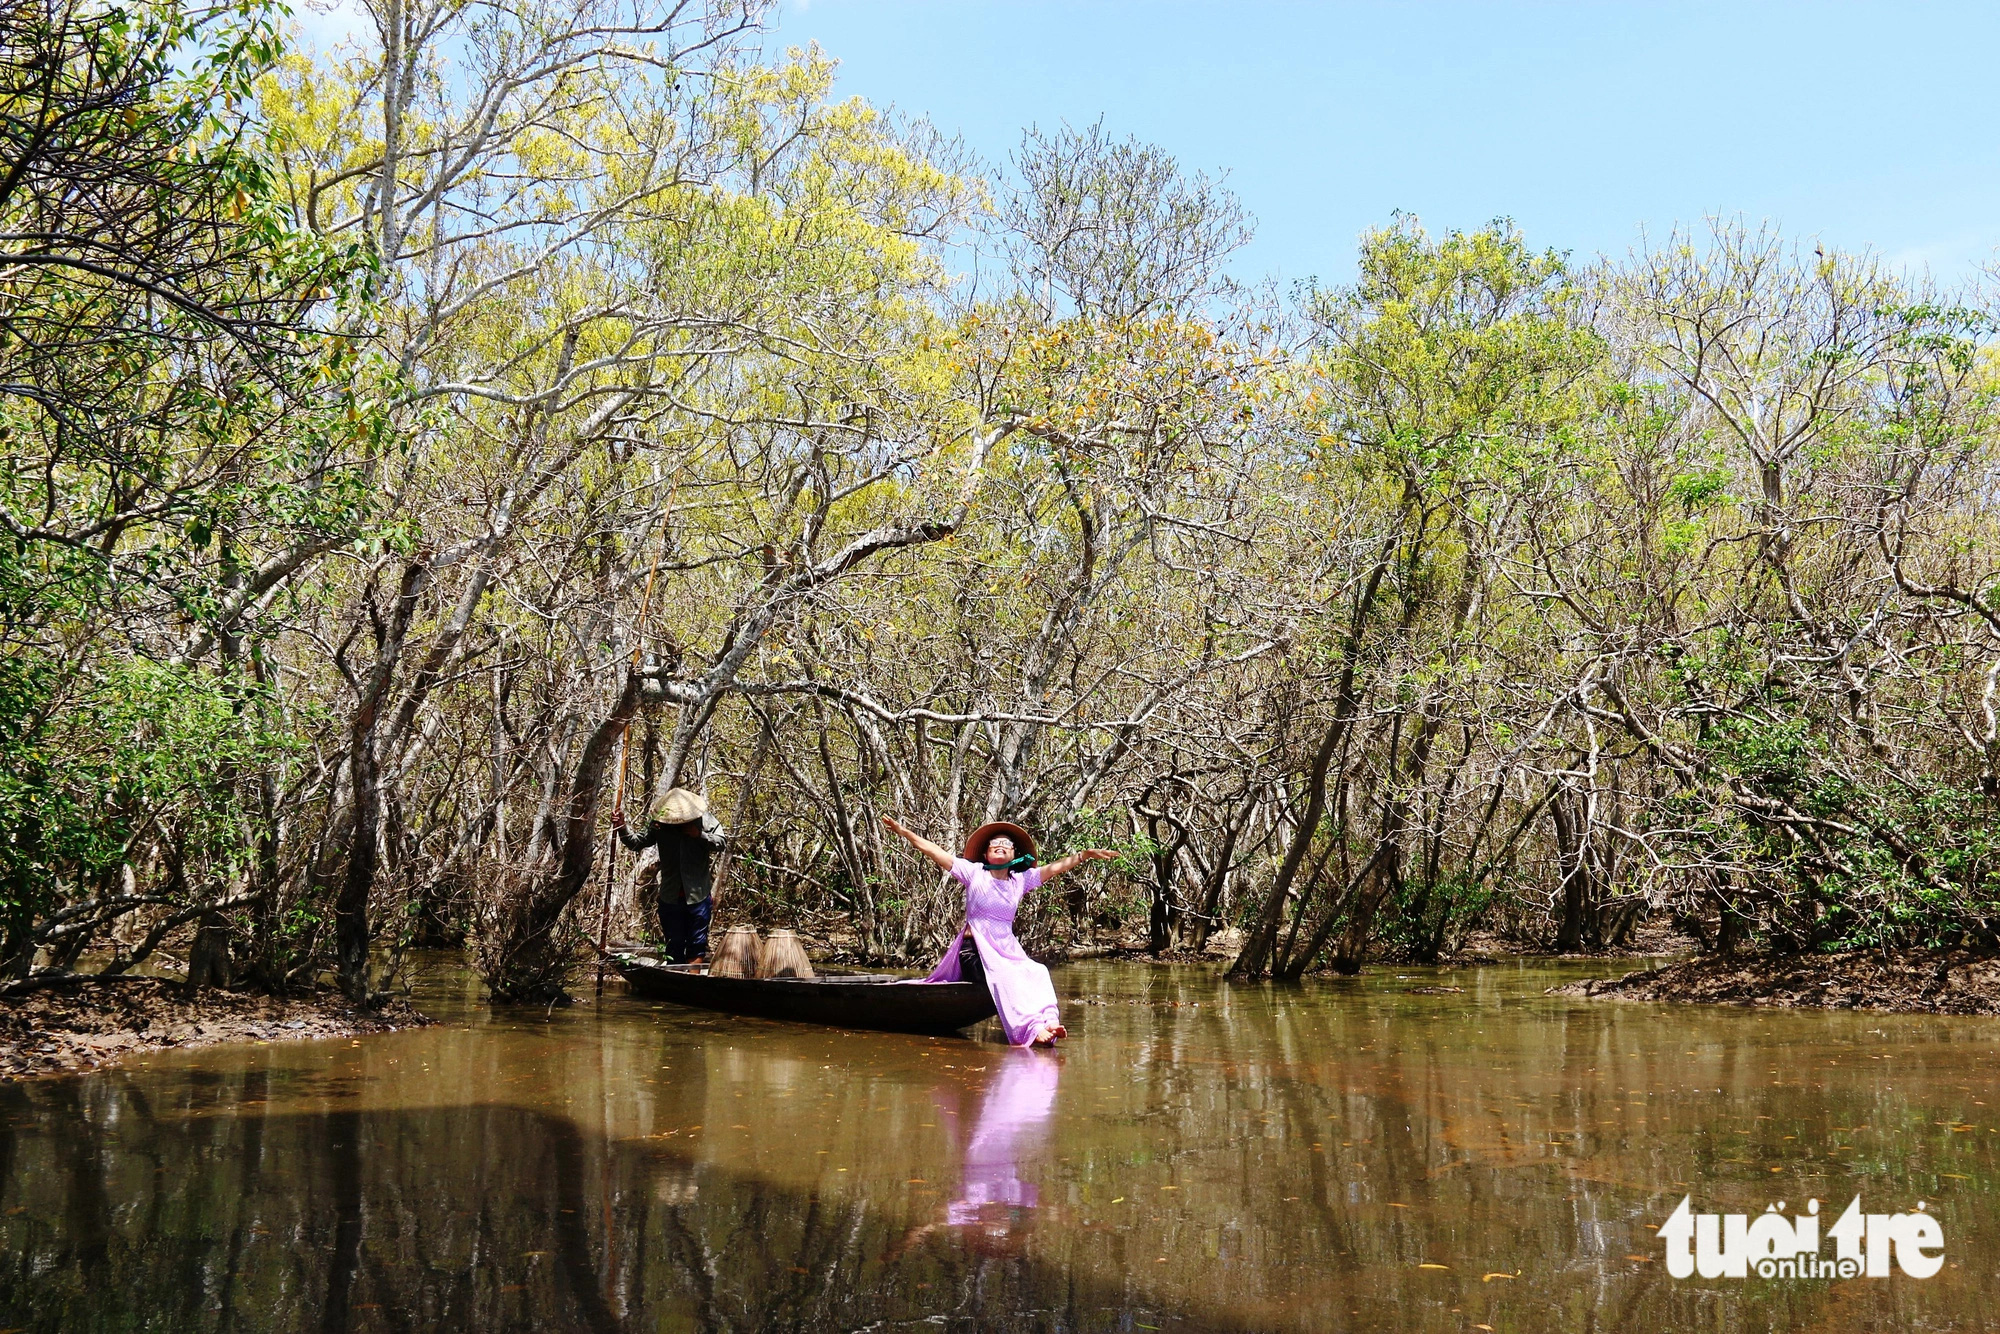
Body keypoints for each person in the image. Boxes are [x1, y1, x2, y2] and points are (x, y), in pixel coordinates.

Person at [881, 815, 1116, 1046]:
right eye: (995, 844)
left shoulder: (1021, 880)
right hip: (973, 953)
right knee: (1008, 976)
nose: (1001, 847)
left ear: (1014, 854)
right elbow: (935, 852)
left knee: (1038, 972)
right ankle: (1032, 1028)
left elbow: (1054, 868)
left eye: (1007, 845)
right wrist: (904, 832)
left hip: (1006, 952)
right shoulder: (973, 873)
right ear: (986, 853)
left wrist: (1084, 855)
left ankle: (1048, 1021)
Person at [614, 787, 725, 964]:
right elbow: (636, 843)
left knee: (697, 944)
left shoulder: (703, 819)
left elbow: (721, 842)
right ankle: (676, 983)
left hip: (698, 896)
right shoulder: (658, 824)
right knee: (674, 945)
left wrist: (700, 835)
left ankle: (691, 983)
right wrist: (622, 827)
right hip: (670, 896)